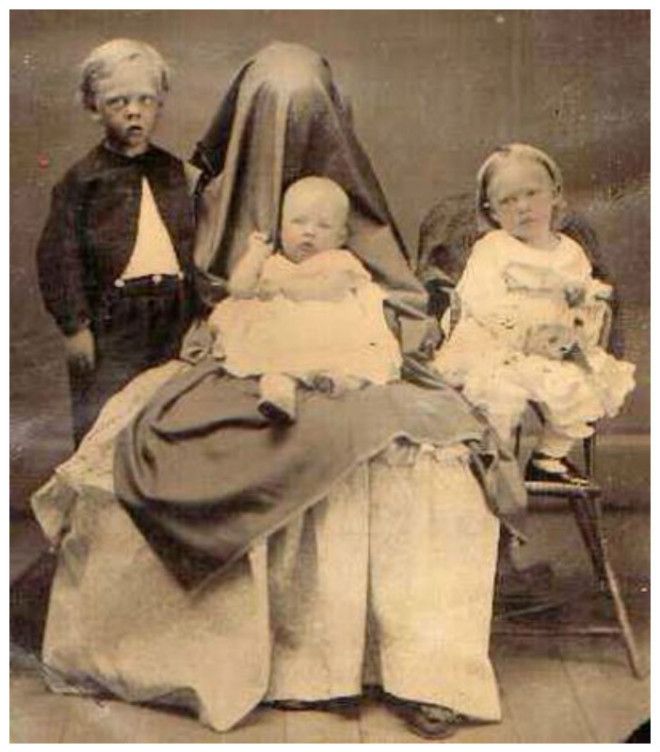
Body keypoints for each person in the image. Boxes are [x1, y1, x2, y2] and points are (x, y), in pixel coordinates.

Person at [32, 43, 526, 740]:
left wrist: (384, 330)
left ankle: (421, 671)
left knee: (432, 460)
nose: (285, 141)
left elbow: (394, 294)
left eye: (306, 118)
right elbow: (206, 284)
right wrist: (215, 321)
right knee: (162, 440)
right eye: (269, 119)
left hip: (347, 358)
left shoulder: (351, 209)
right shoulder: (205, 191)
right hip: (248, 349)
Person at [433, 143, 635, 485]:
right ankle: (490, 458)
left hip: (551, 349)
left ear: (554, 193)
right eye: (508, 201)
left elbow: (584, 306)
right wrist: (523, 335)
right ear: (492, 211)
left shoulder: (571, 253)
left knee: (586, 385)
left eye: (532, 193)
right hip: (497, 345)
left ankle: (548, 457)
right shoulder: (493, 249)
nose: (523, 207)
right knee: (498, 392)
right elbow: (479, 302)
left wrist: (576, 323)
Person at [36, 38, 197, 446]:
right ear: (94, 107)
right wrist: (75, 327)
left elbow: (200, 243)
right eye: (118, 101)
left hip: (176, 312)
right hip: (114, 321)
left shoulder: (176, 172)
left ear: (160, 103)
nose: (134, 111)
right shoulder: (81, 181)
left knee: (173, 416)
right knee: (107, 422)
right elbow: (59, 258)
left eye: (146, 99)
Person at [209, 176, 402, 422]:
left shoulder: (338, 261)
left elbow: (330, 290)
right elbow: (238, 290)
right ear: (281, 229)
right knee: (275, 366)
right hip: (283, 334)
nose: (309, 232)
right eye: (298, 222)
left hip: (327, 330)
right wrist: (254, 256)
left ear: (341, 237)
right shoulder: (274, 263)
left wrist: (282, 287)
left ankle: (337, 382)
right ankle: (279, 397)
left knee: (354, 361)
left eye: (323, 226)